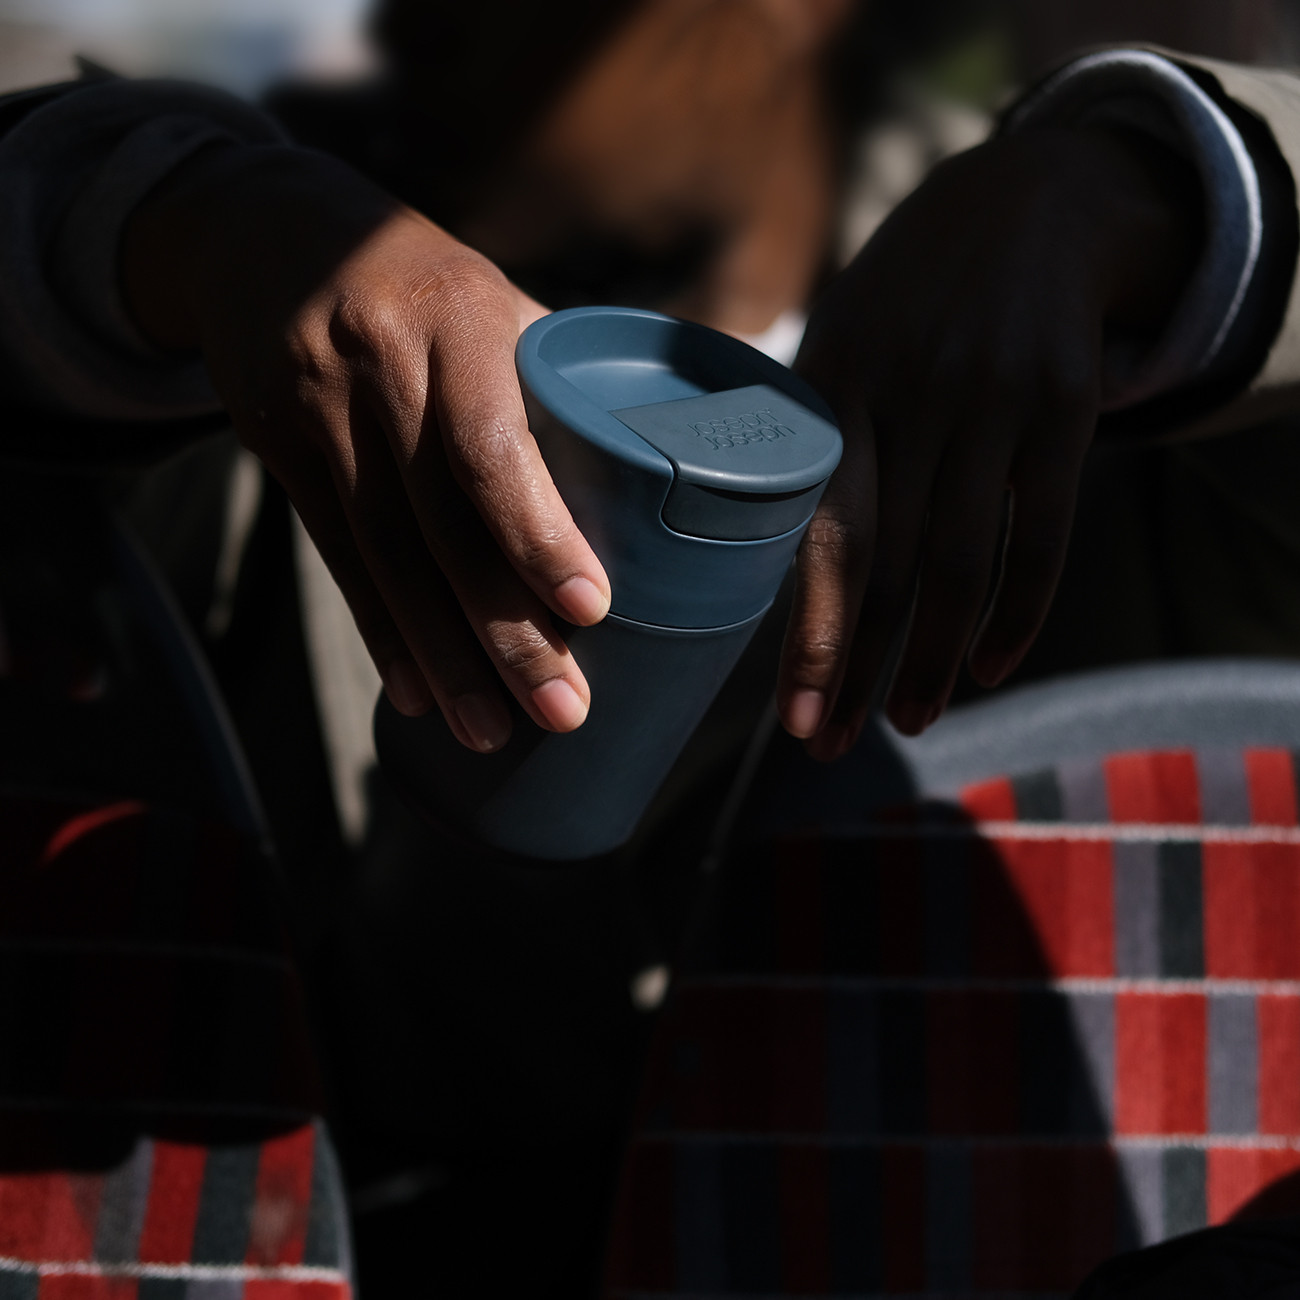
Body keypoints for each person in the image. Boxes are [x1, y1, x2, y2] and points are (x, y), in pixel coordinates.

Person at [3, 0, 1300, 1292]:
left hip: (912, 1222)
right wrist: (186, 231)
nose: (411, 30)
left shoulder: (1082, 318)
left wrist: (1145, 199)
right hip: (329, 1197)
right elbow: (52, 222)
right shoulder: (323, 307)